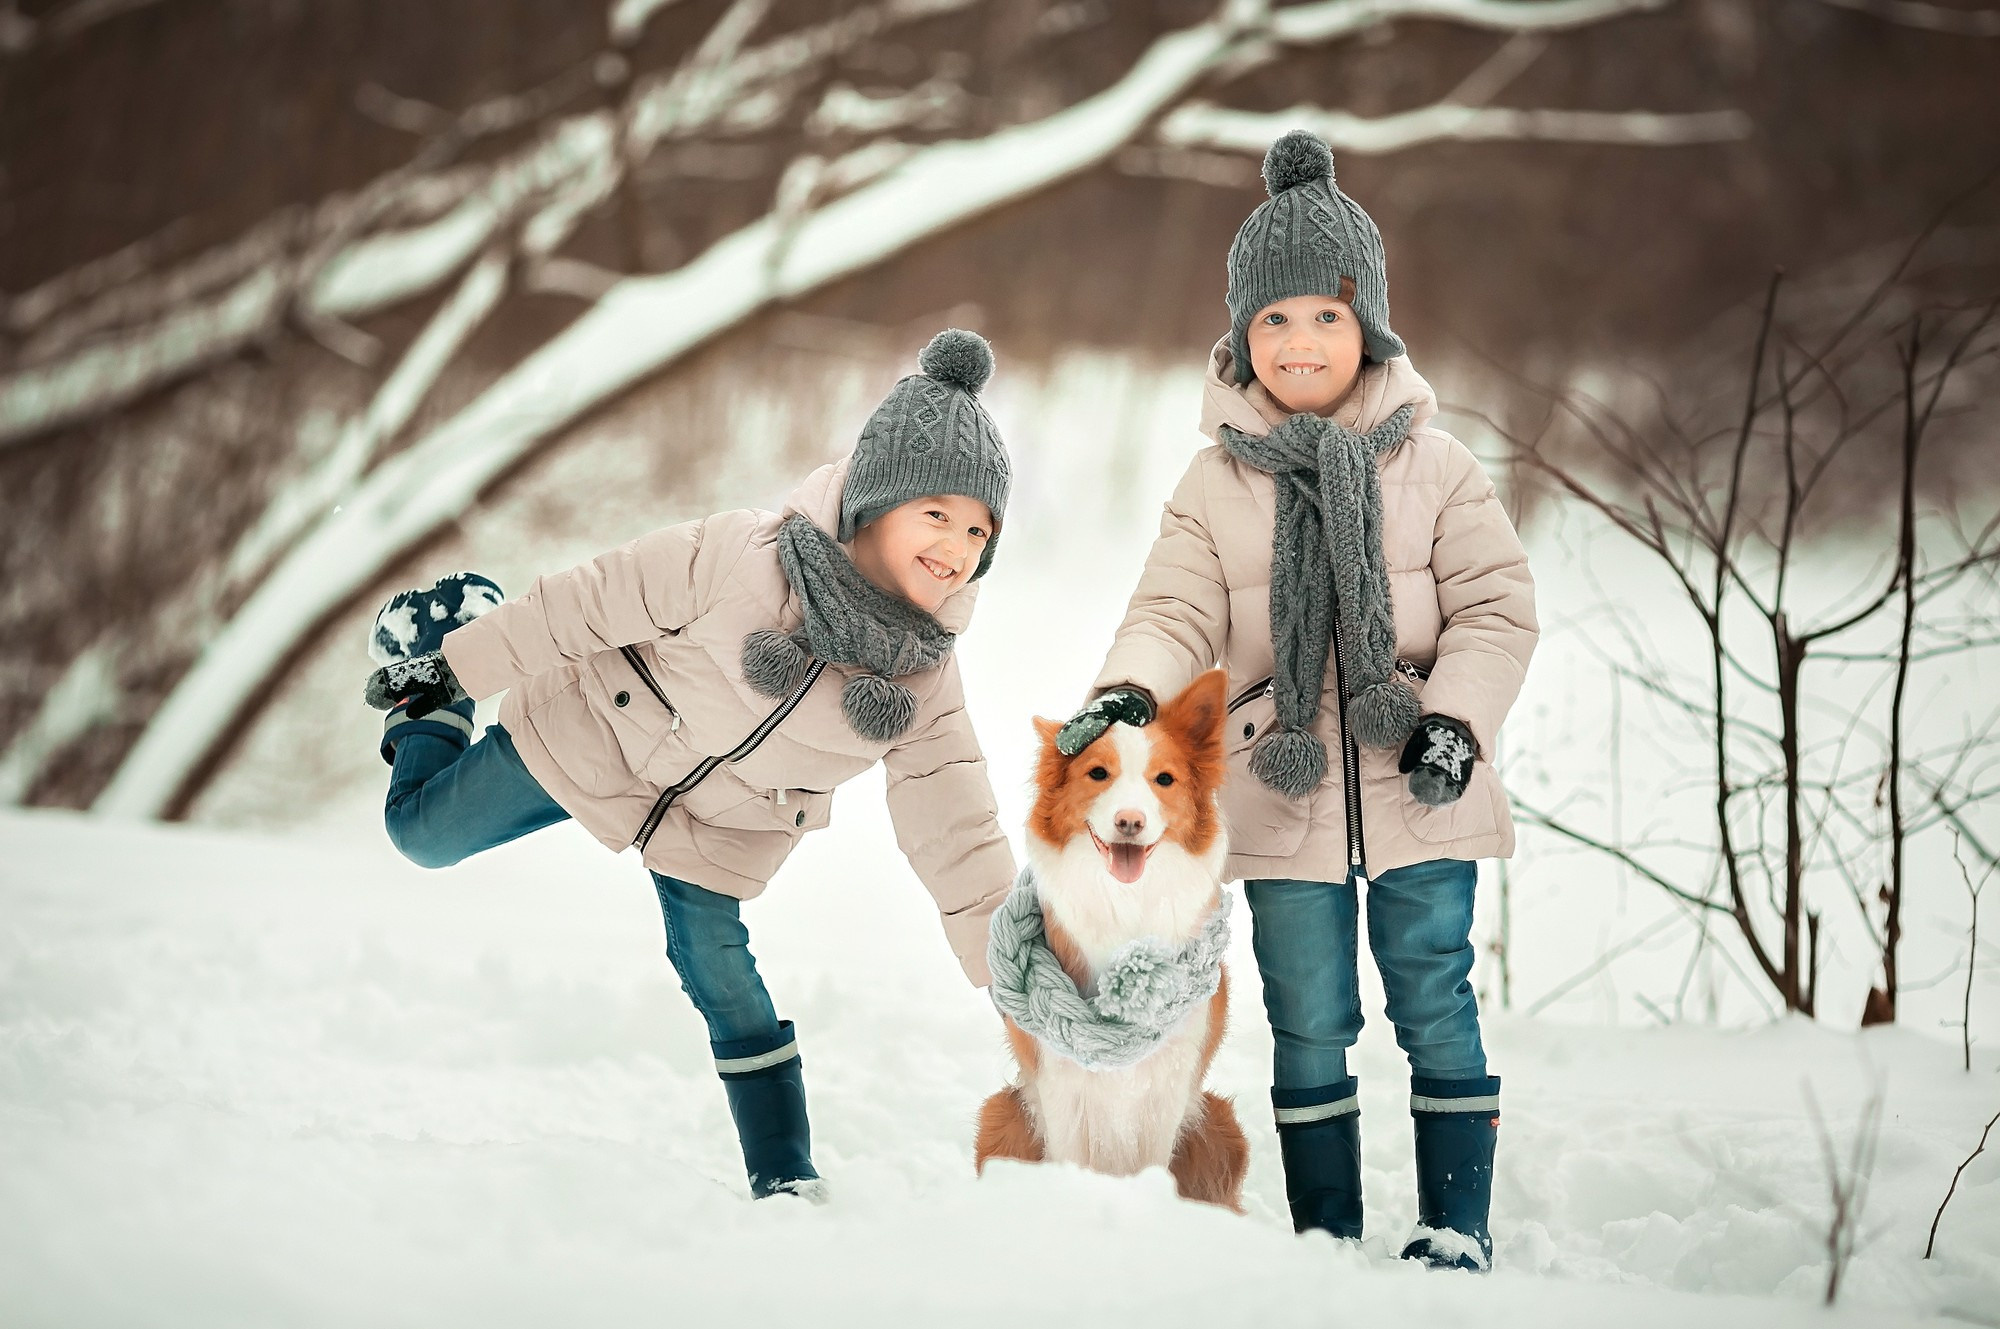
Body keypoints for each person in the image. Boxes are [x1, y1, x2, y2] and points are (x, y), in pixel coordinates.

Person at [362, 329, 1017, 1203]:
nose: (958, 544)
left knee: (721, 972)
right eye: (937, 513)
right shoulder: (736, 557)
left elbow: (956, 823)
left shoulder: (923, 676)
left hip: (722, 829)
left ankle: (785, 1175)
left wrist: (1015, 971)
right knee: (422, 837)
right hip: (599, 731)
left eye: (979, 528)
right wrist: (462, 666)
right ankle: (436, 709)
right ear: (875, 498)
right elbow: (585, 603)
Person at [1058, 132, 1538, 1270]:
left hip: (1418, 779)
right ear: (1239, 338)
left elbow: (1496, 607)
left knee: (1432, 995)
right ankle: (1324, 1238)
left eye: (1321, 315)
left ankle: (1455, 1225)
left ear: (1365, 319)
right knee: (1308, 1013)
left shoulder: (1433, 464)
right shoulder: (1215, 479)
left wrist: (1453, 724)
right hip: (1285, 791)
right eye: (1270, 320)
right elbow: (1172, 611)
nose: (1298, 341)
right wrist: (1127, 691)